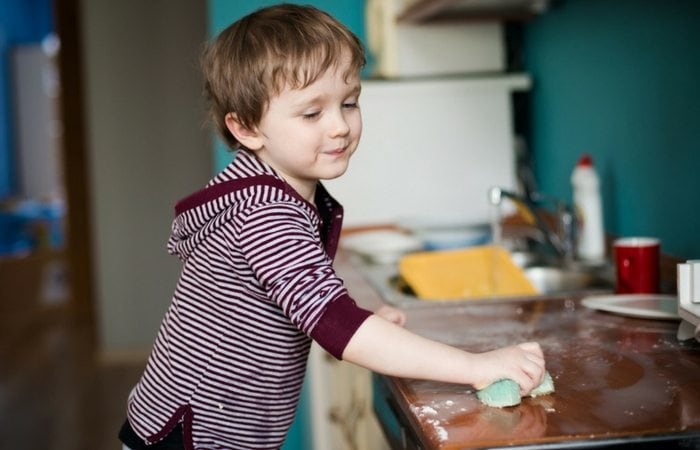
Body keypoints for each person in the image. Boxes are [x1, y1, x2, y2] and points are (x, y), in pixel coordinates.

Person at [118, 4, 546, 449]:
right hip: (192, 438)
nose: (340, 126)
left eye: (349, 102)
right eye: (311, 114)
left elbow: (303, 305)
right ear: (246, 128)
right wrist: (475, 367)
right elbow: (331, 321)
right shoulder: (264, 212)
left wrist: (362, 324)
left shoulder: (273, 193)